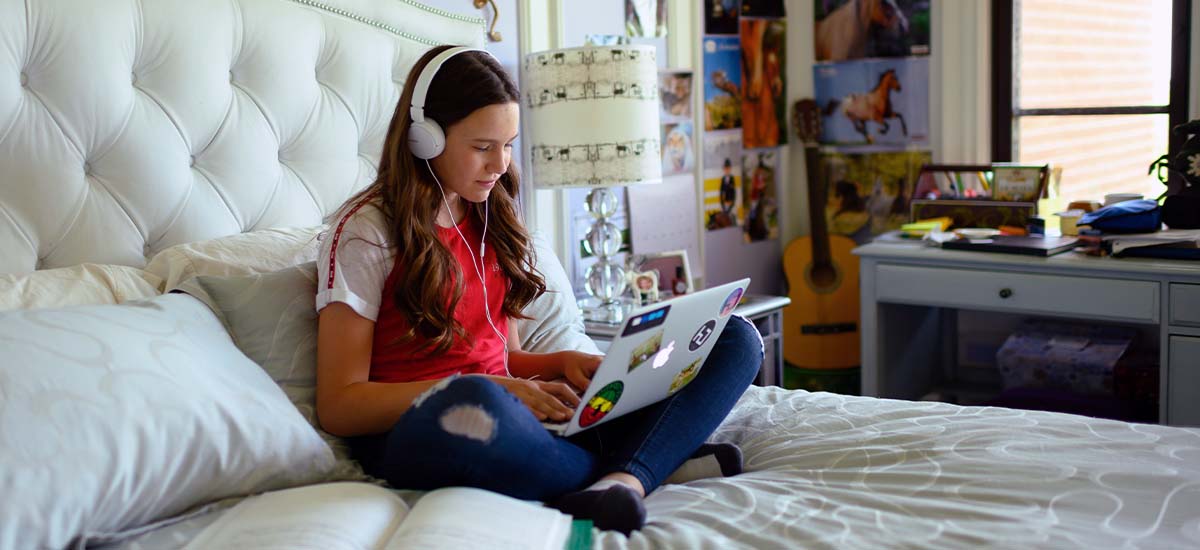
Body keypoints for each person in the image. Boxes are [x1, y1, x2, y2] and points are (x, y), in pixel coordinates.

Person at [315, 45, 763, 535]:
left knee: (733, 337)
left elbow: (503, 359)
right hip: (431, 425)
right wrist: (494, 389)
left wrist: (560, 365)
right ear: (426, 138)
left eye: (508, 145)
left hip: (513, 413)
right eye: (483, 146)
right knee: (469, 411)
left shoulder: (488, 214)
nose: (500, 164)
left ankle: (622, 478)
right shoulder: (366, 231)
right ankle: (648, 460)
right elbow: (340, 405)